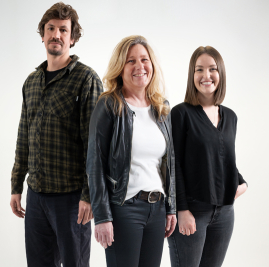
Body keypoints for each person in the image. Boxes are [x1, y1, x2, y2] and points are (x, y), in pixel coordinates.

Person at [9, 2, 103, 266]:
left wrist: (89, 195)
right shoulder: (32, 82)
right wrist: (16, 186)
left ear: (72, 38)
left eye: (63, 29)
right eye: (50, 28)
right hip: (36, 197)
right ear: (42, 35)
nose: (56, 34)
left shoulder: (87, 80)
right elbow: (23, 136)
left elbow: (95, 146)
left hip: (71, 199)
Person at [86, 35, 177, 267]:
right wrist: (103, 217)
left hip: (156, 210)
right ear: (120, 68)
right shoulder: (109, 105)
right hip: (124, 209)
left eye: (144, 59)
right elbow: (95, 163)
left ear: (152, 65)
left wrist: (171, 208)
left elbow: (170, 163)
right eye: (131, 61)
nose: (139, 66)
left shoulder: (161, 108)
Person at [168, 46, 248, 267]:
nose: (206, 75)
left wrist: (242, 183)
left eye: (212, 69)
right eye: (199, 69)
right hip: (193, 211)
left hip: (224, 214)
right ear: (191, 75)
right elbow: (173, 164)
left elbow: (223, 159)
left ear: (220, 73)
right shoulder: (180, 113)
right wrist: (181, 210)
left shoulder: (230, 117)